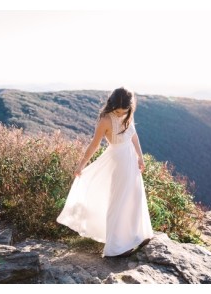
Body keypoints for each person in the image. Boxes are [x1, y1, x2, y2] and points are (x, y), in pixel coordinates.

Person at [56, 87, 154, 257]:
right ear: (112, 105)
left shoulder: (128, 113)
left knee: (135, 197)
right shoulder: (105, 120)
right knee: (119, 201)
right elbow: (94, 145)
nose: (120, 113)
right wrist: (81, 165)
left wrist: (140, 157)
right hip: (118, 162)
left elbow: (134, 136)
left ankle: (139, 235)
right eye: (118, 110)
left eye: (124, 110)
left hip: (131, 160)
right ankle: (116, 248)